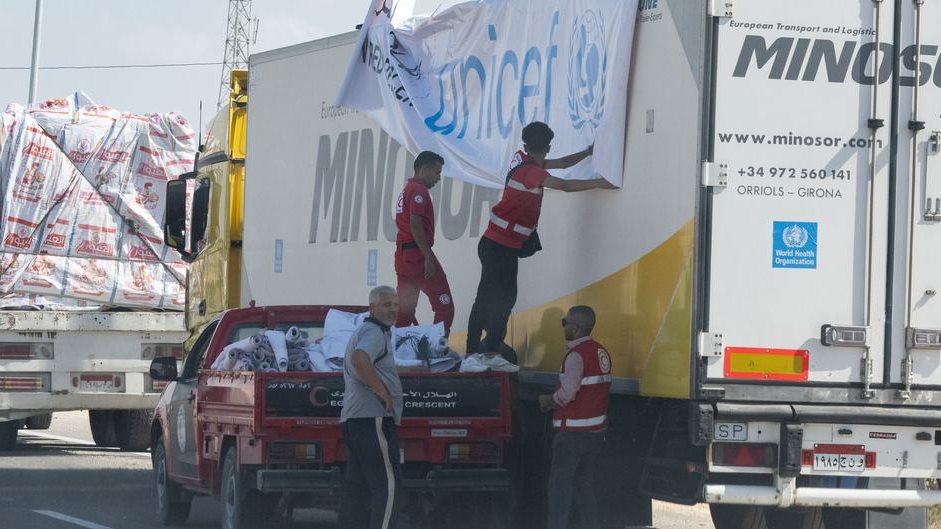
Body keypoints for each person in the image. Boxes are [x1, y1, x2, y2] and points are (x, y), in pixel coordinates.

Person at [465, 121, 614, 366]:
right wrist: (599, 183)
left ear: (526, 145)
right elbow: (564, 185)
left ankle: (479, 351)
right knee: (497, 299)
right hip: (500, 247)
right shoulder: (533, 172)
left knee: (493, 298)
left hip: (497, 244)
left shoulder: (523, 161)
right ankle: (481, 353)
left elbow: (562, 164)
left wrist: (588, 152)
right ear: (548, 147)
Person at [538, 305, 612, 529]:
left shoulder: (576, 355)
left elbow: (568, 394)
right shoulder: (600, 352)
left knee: (559, 489)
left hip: (572, 434)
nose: (563, 327)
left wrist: (548, 401)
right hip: (594, 433)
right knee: (583, 486)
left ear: (576, 328)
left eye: (565, 323)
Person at [338, 286, 404, 529]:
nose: (393, 310)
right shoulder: (374, 332)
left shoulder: (367, 330)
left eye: (396, 305)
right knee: (387, 487)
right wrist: (382, 391)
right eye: (387, 305)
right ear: (372, 308)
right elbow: (360, 358)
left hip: (355, 419)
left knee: (357, 490)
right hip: (372, 418)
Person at [394, 150, 454, 334]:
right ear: (425, 169)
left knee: (404, 312)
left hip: (403, 256)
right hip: (417, 255)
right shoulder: (419, 190)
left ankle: (398, 347)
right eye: (437, 172)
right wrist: (427, 255)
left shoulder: (407, 190)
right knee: (444, 306)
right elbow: (415, 222)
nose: (438, 178)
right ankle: (437, 346)